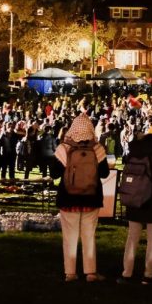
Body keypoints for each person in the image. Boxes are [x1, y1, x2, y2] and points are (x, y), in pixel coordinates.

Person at [51, 114, 110, 282]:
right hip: (91, 199)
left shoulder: (64, 148)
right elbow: (105, 173)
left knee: (69, 237)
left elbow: (54, 173)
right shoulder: (97, 148)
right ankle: (90, 272)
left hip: (68, 199)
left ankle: (70, 273)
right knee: (89, 236)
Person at [120, 120, 152, 284]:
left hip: (134, 196)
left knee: (132, 237)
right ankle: (147, 274)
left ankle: (127, 272)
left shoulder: (136, 148)